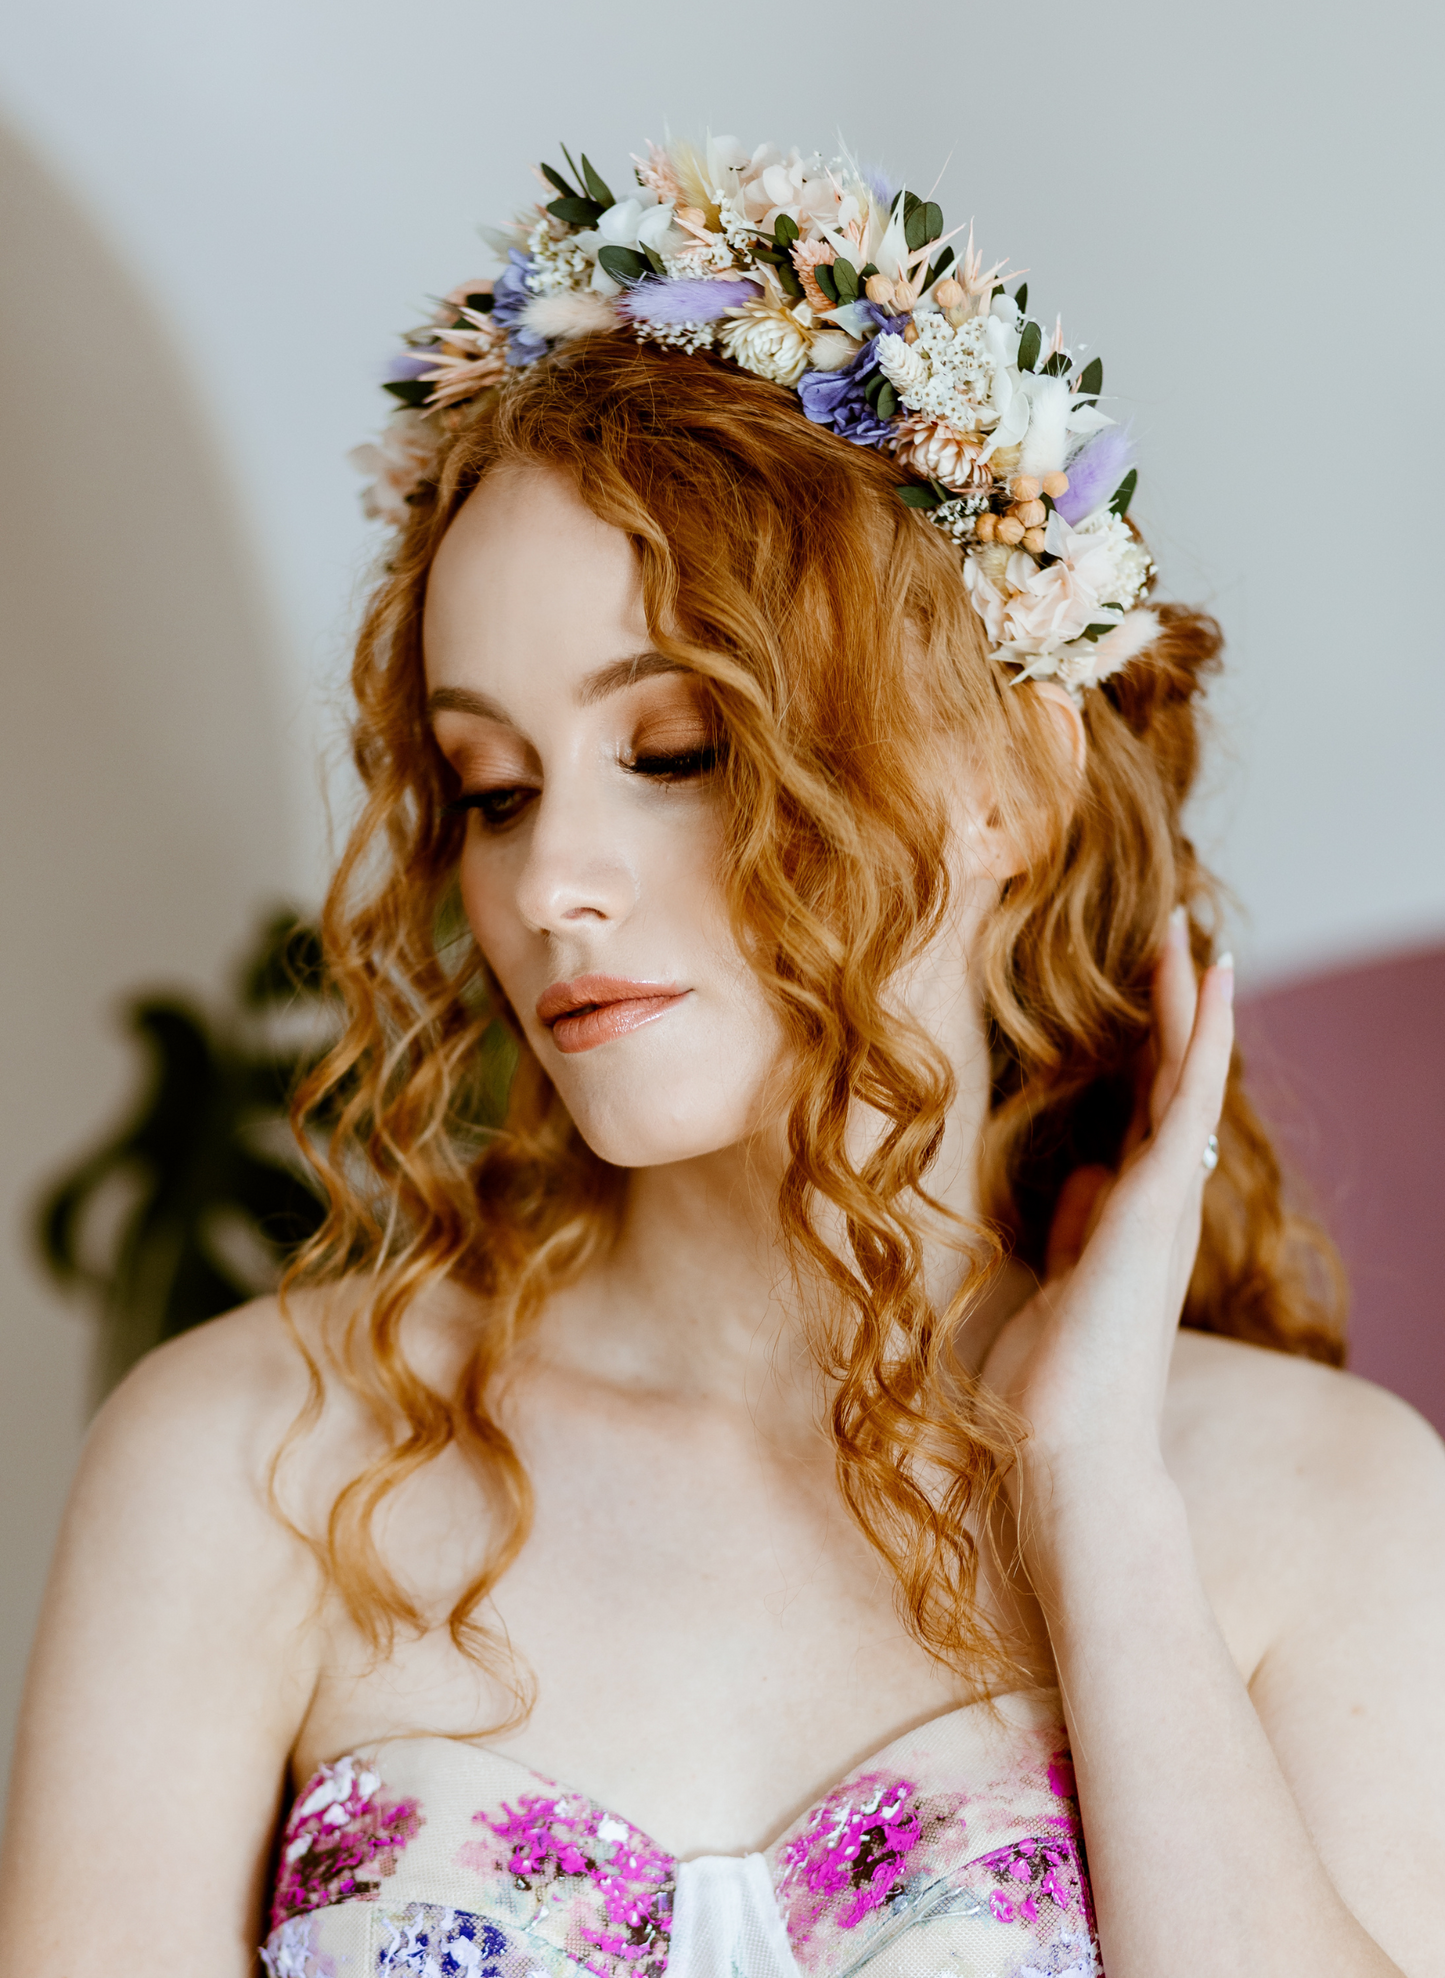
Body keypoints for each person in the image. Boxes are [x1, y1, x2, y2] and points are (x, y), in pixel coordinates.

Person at [1, 134, 1441, 1978]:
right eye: (494, 787)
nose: (547, 886)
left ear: (1009, 781)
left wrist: (1093, 1486)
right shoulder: (249, 1467)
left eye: (674, 751)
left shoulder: (1319, 1504)